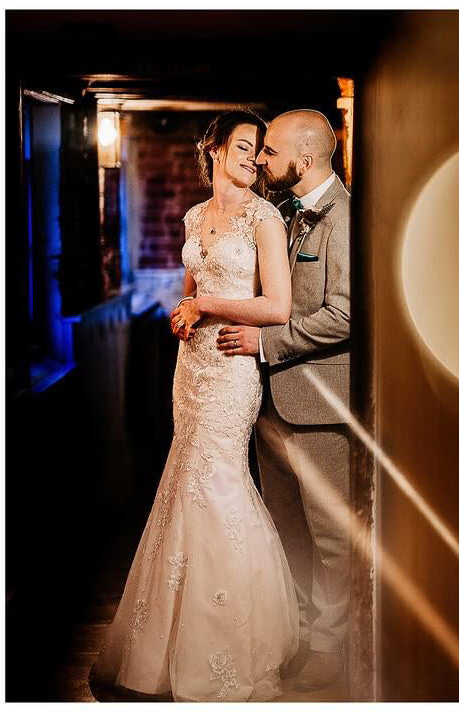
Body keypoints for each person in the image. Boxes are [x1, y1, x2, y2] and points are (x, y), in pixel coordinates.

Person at [90, 109, 299, 701]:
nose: (252, 158)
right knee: (184, 486)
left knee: (219, 487)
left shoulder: (265, 219)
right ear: (212, 148)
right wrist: (187, 312)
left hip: (232, 372)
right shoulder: (192, 216)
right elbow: (192, 290)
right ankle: (172, 636)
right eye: (241, 146)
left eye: (257, 149)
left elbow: (277, 306)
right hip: (192, 371)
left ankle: (234, 640)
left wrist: (206, 307)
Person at [211, 109, 353, 690]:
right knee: (283, 527)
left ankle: (332, 646)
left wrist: (266, 341)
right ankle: (295, 633)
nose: (262, 161)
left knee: (330, 535)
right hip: (269, 400)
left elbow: (344, 315)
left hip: (319, 400)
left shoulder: (343, 217)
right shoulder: (285, 214)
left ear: (309, 157)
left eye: (270, 151)